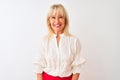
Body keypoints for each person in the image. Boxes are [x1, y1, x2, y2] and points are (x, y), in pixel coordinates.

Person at [33, 4, 86, 80]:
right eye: (53, 17)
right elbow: (39, 67)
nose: (57, 21)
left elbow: (77, 67)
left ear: (65, 20)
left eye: (60, 17)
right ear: (49, 20)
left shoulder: (74, 41)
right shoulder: (44, 41)